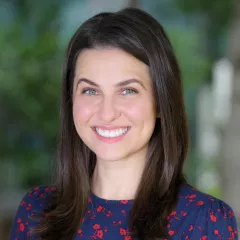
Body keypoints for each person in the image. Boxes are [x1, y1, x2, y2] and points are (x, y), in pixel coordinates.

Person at [10, 7, 238, 240]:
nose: (107, 113)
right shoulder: (36, 212)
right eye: (90, 90)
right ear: (71, 100)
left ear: (160, 102)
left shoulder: (205, 220)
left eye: (128, 90)